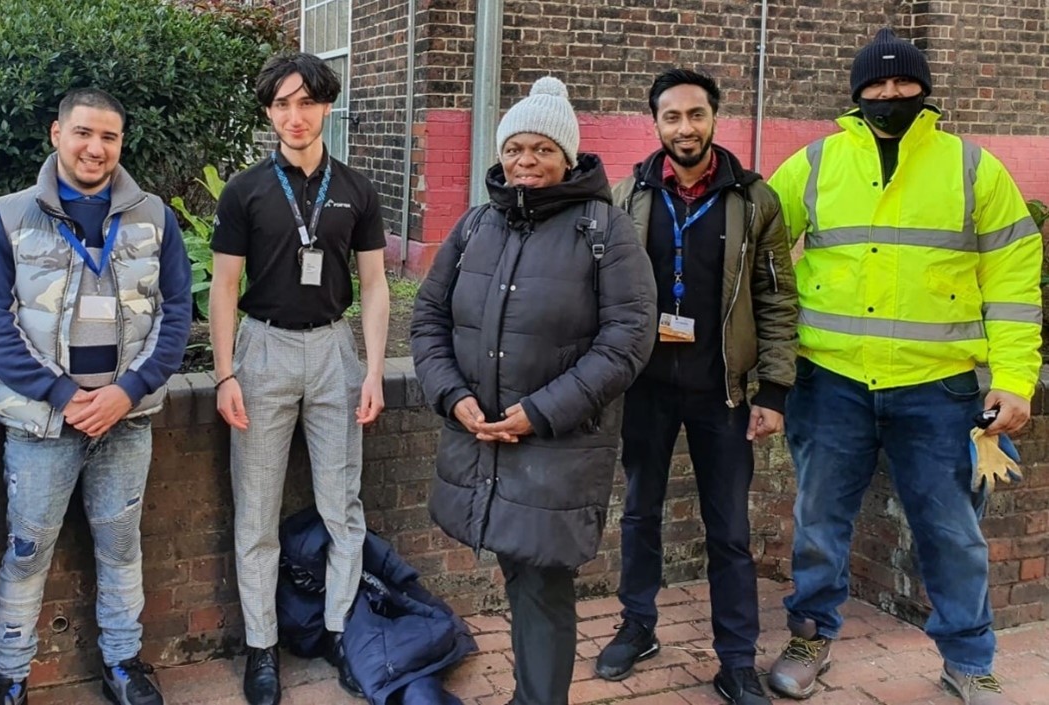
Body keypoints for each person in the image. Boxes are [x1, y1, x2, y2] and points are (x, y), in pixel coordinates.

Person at [765, 29, 1040, 705]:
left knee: (952, 534)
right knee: (819, 522)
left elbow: (1012, 279)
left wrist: (1012, 377)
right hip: (828, 381)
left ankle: (969, 660)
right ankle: (808, 636)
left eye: (902, 83)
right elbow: (761, 257)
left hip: (939, 391)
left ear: (925, 90)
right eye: (875, 85)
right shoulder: (813, 163)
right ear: (855, 93)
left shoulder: (972, 167)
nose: (889, 94)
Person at [411, 76, 656, 705]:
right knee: (519, 572)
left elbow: (627, 341)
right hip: (482, 436)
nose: (526, 162)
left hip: (554, 448)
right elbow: (430, 318)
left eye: (542, 149)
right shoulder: (475, 226)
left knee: (543, 584)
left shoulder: (606, 231)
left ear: (568, 157)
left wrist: (541, 412)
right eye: (515, 148)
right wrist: (450, 393)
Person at [0, 88, 192, 705]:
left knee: (122, 548)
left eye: (110, 137)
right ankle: (9, 676)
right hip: (43, 425)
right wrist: (64, 395)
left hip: (126, 420)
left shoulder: (154, 218)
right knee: (27, 550)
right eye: (84, 133)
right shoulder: (11, 218)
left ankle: (123, 665)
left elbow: (177, 314)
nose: (96, 148)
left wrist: (128, 391)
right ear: (56, 134)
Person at [594, 69, 797, 705]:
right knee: (639, 514)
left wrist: (774, 392)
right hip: (647, 388)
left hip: (724, 391)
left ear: (715, 119)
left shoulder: (754, 199)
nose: (685, 128)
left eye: (696, 115)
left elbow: (776, 299)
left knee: (729, 530)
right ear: (654, 123)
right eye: (672, 117)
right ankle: (638, 625)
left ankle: (735, 659)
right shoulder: (627, 197)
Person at [209, 52, 389, 705]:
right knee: (255, 509)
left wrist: (372, 369)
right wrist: (224, 372)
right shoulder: (245, 190)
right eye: (281, 103)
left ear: (325, 106)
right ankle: (262, 647)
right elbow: (223, 288)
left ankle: (340, 632)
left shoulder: (357, 188)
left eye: (305, 102)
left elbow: (373, 286)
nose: (294, 115)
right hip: (262, 353)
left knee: (342, 503)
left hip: (332, 350)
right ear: (268, 111)